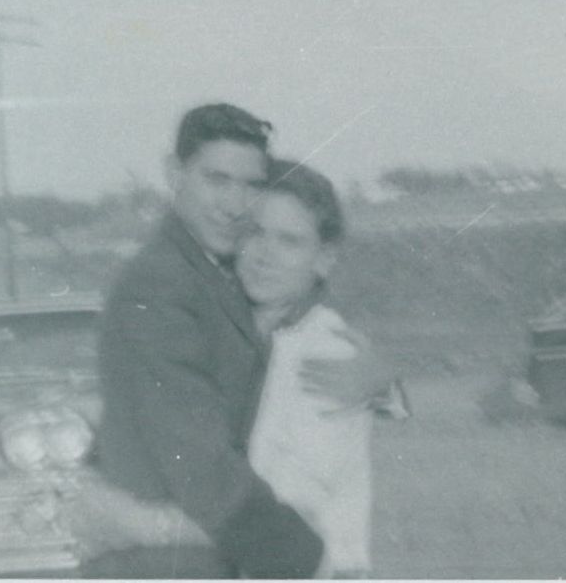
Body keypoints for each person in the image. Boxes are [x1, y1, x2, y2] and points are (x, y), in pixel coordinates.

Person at [85, 103, 323, 579]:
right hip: (164, 562)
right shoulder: (159, 285)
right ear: (175, 174)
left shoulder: (218, 270)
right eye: (217, 180)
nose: (234, 205)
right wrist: (297, 551)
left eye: (251, 185)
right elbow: (196, 459)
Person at [239, 159, 382, 578]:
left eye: (289, 241)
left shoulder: (327, 348)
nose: (264, 255)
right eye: (254, 232)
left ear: (324, 259)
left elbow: (297, 496)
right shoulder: (242, 333)